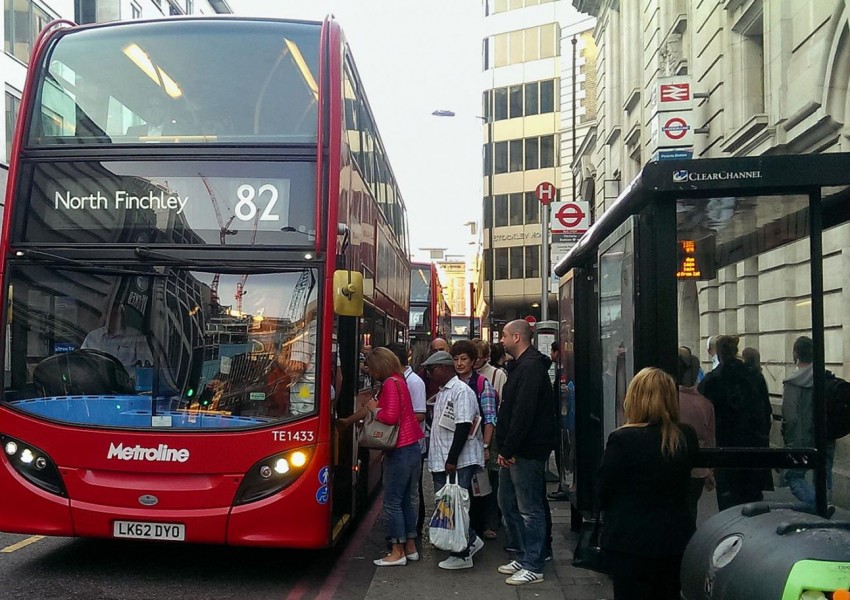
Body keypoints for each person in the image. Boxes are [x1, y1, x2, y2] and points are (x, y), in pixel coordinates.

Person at [597, 367, 698, 600]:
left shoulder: (623, 439)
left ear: (635, 398)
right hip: (675, 539)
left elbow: (603, 489)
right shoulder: (685, 436)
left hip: (631, 542)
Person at [336, 347, 423, 566]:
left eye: (372, 368)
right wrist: (348, 421)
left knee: (392, 502)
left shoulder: (390, 384)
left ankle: (397, 551)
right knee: (405, 501)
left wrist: (375, 409)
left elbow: (390, 417)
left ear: (381, 366)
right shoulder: (400, 381)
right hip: (412, 447)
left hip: (399, 450)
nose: (370, 372)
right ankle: (410, 547)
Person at [495, 320, 557, 586]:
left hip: (526, 451)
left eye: (504, 335)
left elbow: (523, 412)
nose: (501, 340)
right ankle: (523, 555)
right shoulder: (523, 366)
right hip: (515, 449)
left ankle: (534, 563)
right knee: (507, 503)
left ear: (517, 337)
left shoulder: (530, 367)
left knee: (529, 508)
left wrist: (508, 449)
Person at [420, 350, 485, 570]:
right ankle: (471, 540)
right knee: (447, 504)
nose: (429, 374)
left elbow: (463, 425)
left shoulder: (461, 391)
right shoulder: (443, 392)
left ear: (444, 368)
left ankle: (462, 554)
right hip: (443, 459)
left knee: (456, 506)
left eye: (432, 369)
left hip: (457, 459)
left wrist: (452, 459)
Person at [698, 334, 773, 511]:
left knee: (729, 505)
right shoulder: (754, 376)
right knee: (753, 502)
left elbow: (705, 416)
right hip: (754, 448)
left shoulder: (712, 379)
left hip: (726, 449)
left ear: (719, 354)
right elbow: (766, 411)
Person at [451, 340, 498, 542]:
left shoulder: (481, 384)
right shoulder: (450, 383)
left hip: (473, 447)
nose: (459, 363)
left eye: (464, 359)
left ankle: (475, 532)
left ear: (473, 361)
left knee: (476, 491)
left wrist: (485, 446)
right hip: (452, 446)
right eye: (455, 359)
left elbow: (490, 418)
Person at [782, 335, 836, 507]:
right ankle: (825, 504)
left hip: (801, 440)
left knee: (793, 476)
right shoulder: (826, 376)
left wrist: (789, 441)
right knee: (823, 474)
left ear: (796, 353)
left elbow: (790, 417)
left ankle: (816, 504)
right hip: (826, 436)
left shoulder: (793, 383)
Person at [385, 342, 428, 536]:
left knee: (406, 497)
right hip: (405, 444)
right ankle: (408, 541)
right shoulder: (398, 380)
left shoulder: (411, 382)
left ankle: (405, 539)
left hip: (407, 444)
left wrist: (376, 413)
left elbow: (419, 413)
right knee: (403, 497)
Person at [677, 349, 716, 526]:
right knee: (690, 512)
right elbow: (710, 441)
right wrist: (709, 471)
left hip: (674, 466)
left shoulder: (668, 400)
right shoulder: (704, 404)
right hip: (697, 470)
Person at [471, 338, 506, 539]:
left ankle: (491, 522)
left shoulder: (496, 375)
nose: (475, 362)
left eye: (478, 358)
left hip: (491, 433)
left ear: (486, 357)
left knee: (491, 478)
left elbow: (501, 405)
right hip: (472, 433)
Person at [82, 304, 154, 385]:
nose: (112, 318)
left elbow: (148, 366)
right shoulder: (93, 337)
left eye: (115, 314)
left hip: (128, 387)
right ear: (104, 316)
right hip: (98, 386)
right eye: (109, 314)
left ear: (122, 316)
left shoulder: (136, 337)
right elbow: (82, 363)